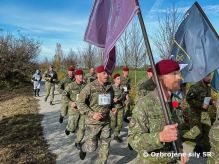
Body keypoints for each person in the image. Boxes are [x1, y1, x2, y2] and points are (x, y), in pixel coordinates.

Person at [128, 59, 187, 163]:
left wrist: (180, 149)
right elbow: (133, 140)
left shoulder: (176, 102)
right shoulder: (144, 104)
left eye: (179, 73)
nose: (180, 77)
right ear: (159, 78)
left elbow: (177, 132)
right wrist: (159, 137)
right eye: (174, 74)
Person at [77, 65, 116, 163]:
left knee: (106, 145)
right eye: (104, 73)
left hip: (106, 122)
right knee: (92, 148)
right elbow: (80, 102)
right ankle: (83, 148)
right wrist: (92, 114)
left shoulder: (110, 87)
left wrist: (113, 107)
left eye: (107, 73)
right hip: (93, 122)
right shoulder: (90, 87)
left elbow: (110, 101)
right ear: (98, 74)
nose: (106, 75)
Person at [183, 74, 212, 155]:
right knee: (196, 132)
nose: (210, 78)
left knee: (207, 131)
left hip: (204, 114)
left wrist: (210, 102)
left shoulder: (208, 87)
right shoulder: (195, 87)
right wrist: (200, 104)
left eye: (210, 76)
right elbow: (189, 99)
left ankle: (206, 150)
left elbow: (207, 99)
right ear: (203, 76)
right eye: (208, 76)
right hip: (195, 114)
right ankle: (193, 151)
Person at [62, 69, 86, 139]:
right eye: (79, 75)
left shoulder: (85, 86)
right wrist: (70, 103)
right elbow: (64, 95)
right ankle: (68, 128)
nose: (81, 76)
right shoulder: (71, 86)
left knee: (82, 128)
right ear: (75, 76)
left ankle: (78, 142)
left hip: (83, 110)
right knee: (72, 127)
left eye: (82, 75)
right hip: (74, 109)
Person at [111, 73, 126, 143]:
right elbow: (108, 97)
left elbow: (124, 96)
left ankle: (116, 135)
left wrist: (121, 98)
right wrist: (113, 100)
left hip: (121, 107)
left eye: (120, 78)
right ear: (114, 80)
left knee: (120, 124)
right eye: (118, 79)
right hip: (114, 108)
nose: (119, 80)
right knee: (113, 124)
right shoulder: (111, 88)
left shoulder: (122, 87)